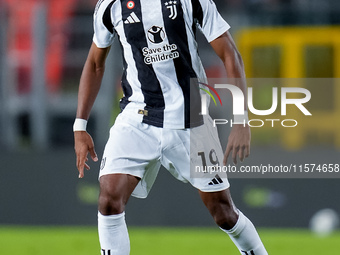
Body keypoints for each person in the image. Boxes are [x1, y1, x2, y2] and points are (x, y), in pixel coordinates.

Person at [73, 0, 268, 254]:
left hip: (190, 119)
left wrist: (241, 120)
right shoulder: (110, 6)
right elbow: (95, 63)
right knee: (109, 198)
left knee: (223, 212)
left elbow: (230, 54)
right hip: (137, 117)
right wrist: (80, 125)